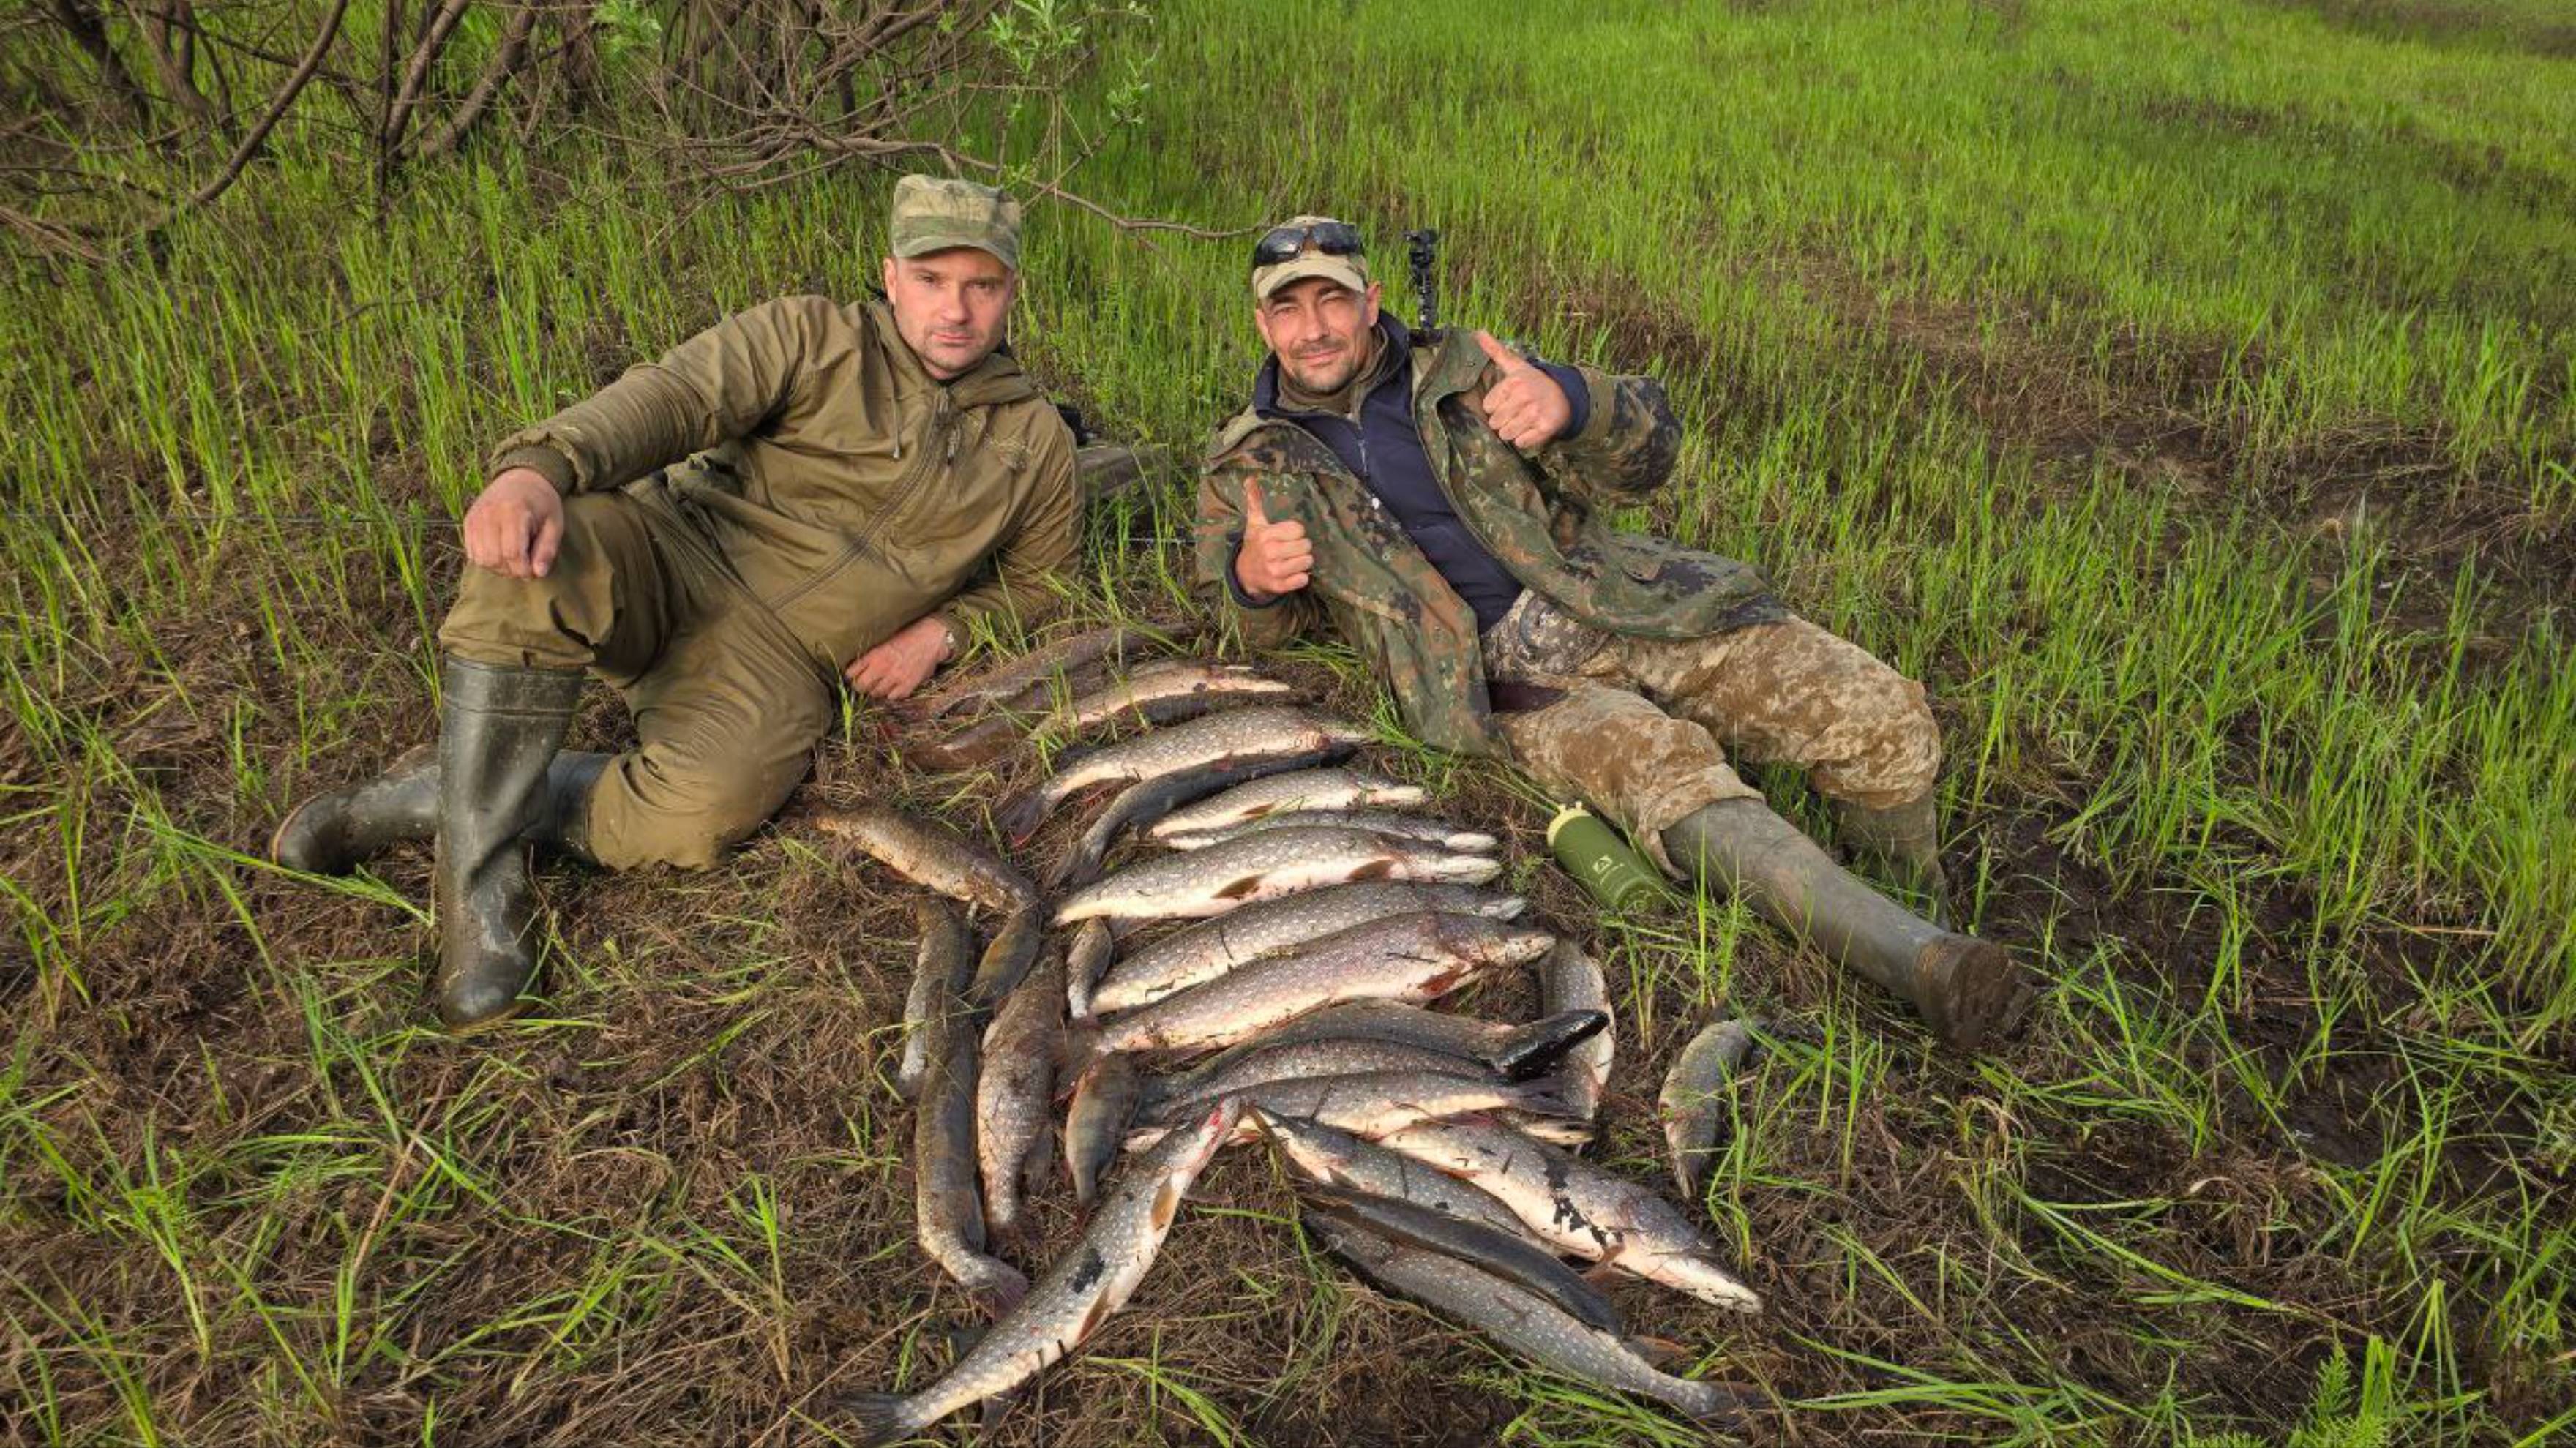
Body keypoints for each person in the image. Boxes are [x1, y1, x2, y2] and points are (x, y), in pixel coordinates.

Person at [1191, 216, 2030, 1050]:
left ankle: (1913, 904)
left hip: (1625, 602)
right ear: (1263, 325)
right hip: (1513, 686)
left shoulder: (1466, 369)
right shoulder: (1246, 466)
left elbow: (1650, 451)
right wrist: (1253, 579)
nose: (1313, 330)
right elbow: (1250, 628)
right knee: (1674, 785)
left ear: (1370, 302)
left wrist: (1573, 403)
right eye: (1289, 309)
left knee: (1875, 710)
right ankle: (1921, 963)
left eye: (1331, 302)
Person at [274, 176, 1078, 1032]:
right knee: (535, 562)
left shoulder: (1036, 443)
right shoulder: (814, 336)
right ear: (889, 276)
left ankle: (441, 792)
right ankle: (479, 898)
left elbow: (1041, 579)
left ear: (1011, 293)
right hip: (667, 551)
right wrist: (536, 468)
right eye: (931, 279)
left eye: (980, 286)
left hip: (778, 661)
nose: (954, 309)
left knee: (699, 816)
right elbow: (673, 395)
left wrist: (944, 630)